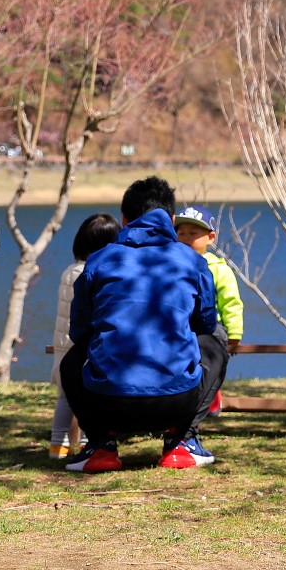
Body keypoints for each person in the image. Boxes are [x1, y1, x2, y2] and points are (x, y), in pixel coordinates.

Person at [59, 176, 227, 472]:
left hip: (108, 403)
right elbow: (205, 322)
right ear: (172, 220)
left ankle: (101, 447)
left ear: (124, 219)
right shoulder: (192, 261)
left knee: (73, 358)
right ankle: (182, 443)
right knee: (216, 339)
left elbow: (79, 331)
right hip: (177, 401)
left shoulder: (98, 261)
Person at [172, 205, 243, 462]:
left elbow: (231, 303)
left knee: (208, 367)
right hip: (180, 331)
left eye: (194, 233)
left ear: (210, 238)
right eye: (181, 233)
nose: (187, 238)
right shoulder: (171, 264)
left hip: (211, 332)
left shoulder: (219, 269)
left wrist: (234, 334)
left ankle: (208, 400)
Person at [48, 212, 119, 458]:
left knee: (66, 400)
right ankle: (92, 440)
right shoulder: (91, 273)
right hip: (80, 348)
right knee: (90, 399)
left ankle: (58, 444)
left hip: (62, 347)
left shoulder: (70, 270)